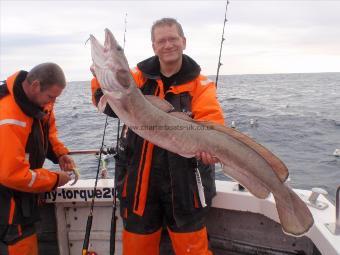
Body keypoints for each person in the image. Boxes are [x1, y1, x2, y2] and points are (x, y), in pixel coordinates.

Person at [91, 18, 225, 254]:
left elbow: (213, 124)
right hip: (138, 187)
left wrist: (210, 151)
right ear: (154, 46)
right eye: (161, 40)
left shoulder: (201, 86)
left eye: (173, 39)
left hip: (187, 188)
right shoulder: (137, 78)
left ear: (183, 42)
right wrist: (99, 80)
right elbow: (109, 106)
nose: (168, 45)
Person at [0, 63, 76, 255]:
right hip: (8, 204)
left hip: (25, 196)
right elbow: (13, 175)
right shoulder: (8, 117)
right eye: (51, 97)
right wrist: (55, 179)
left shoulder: (39, 103)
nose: (53, 102)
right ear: (35, 86)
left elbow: (47, 130)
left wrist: (60, 153)